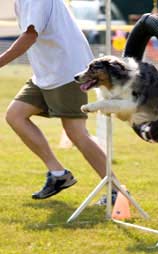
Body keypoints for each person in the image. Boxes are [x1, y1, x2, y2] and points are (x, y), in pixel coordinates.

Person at [0, 0, 117, 202]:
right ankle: (58, 174)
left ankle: (116, 191)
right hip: (46, 73)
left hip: (67, 70)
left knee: (77, 133)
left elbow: (30, 36)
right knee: (15, 115)